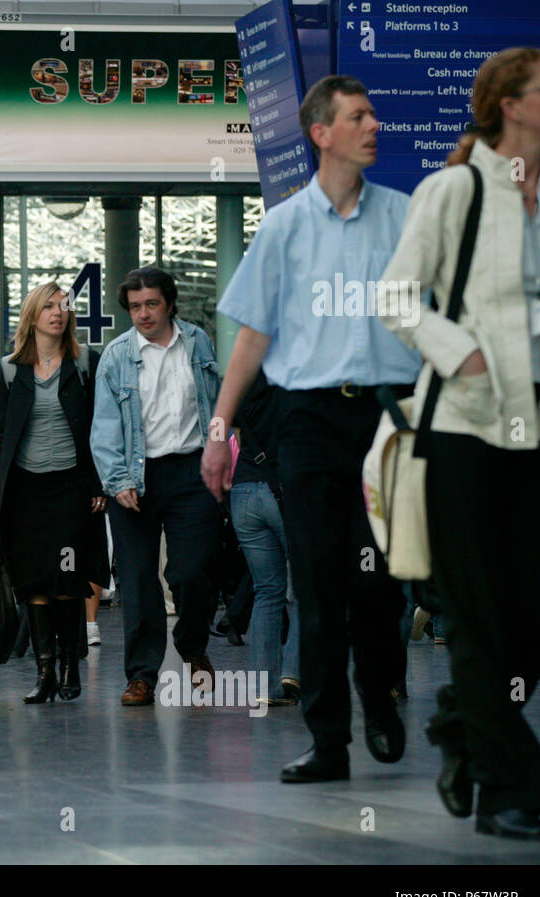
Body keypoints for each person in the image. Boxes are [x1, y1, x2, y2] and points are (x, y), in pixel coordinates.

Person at [375, 47, 540, 839]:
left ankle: (461, 719)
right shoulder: (453, 190)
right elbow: (394, 294)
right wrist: (462, 350)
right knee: (480, 618)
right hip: (460, 430)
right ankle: (509, 790)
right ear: (509, 106)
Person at [203, 76, 418, 783]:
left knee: (382, 579)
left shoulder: (405, 217)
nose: (374, 124)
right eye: (359, 115)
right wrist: (219, 426)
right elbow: (253, 337)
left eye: (373, 113)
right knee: (319, 583)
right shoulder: (284, 226)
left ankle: (382, 694)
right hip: (310, 423)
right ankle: (328, 739)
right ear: (322, 133)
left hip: (387, 416)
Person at [91, 267, 222, 707]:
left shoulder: (198, 342)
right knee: (138, 577)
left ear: (169, 303)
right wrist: (117, 480)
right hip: (135, 476)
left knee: (194, 571)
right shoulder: (116, 355)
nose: (143, 314)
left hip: (193, 470)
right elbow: (105, 425)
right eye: (134, 307)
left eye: (150, 304)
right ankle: (142, 675)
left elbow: (216, 399)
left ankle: (193, 646)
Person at [0, 281, 105, 704]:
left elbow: (101, 426)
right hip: (25, 492)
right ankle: (45, 670)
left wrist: (99, 483)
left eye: (64, 306)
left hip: (71, 488)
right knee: (33, 582)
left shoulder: (85, 362)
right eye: (49, 306)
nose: (58, 312)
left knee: (68, 579)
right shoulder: (11, 369)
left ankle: (71, 668)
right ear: (32, 315)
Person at [229, 375, 299, 705]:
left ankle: (262, 687)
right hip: (286, 492)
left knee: (266, 592)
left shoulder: (244, 384)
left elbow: (232, 436)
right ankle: (293, 674)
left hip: (244, 492)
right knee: (302, 589)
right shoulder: (296, 383)